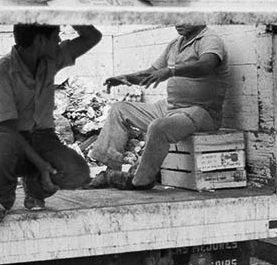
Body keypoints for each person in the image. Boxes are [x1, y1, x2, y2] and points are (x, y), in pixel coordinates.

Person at [0, 24, 102, 230]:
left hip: (45, 139)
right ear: (39, 41)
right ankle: (0, 202)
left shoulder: (50, 60)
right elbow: (8, 128)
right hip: (12, 140)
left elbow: (92, 37)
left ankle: (35, 187)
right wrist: (44, 166)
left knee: (78, 172)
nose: (60, 41)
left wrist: (63, 10)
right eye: (56, 36)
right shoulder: (1, 72)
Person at [88, 24, 229, 189]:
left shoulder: (209, 40)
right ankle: (111, 172)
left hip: (200, 112)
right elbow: (151, 73)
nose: (178, 23)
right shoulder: (175, 44)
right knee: (119, 109)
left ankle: (140, 181)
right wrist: (125, 78)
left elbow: (206, 65)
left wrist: (171, 71)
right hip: (170, 107)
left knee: (158, 127)